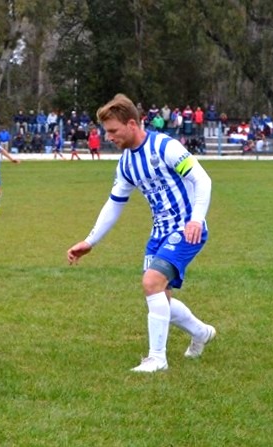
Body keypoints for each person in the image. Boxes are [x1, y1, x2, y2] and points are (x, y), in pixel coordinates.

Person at [66, 94, 216, 373]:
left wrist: (196, 219)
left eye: (113, 130)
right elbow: (114, 204)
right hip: (158, 234)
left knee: (151, 283)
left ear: (132, 124)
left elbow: (201, 179)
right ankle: (201, 332)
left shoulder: (165, 147)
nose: (109, 137)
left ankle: (157, 359)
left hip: (186, 230)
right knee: (161, 299)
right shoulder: (125, 164)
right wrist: (90, 241)